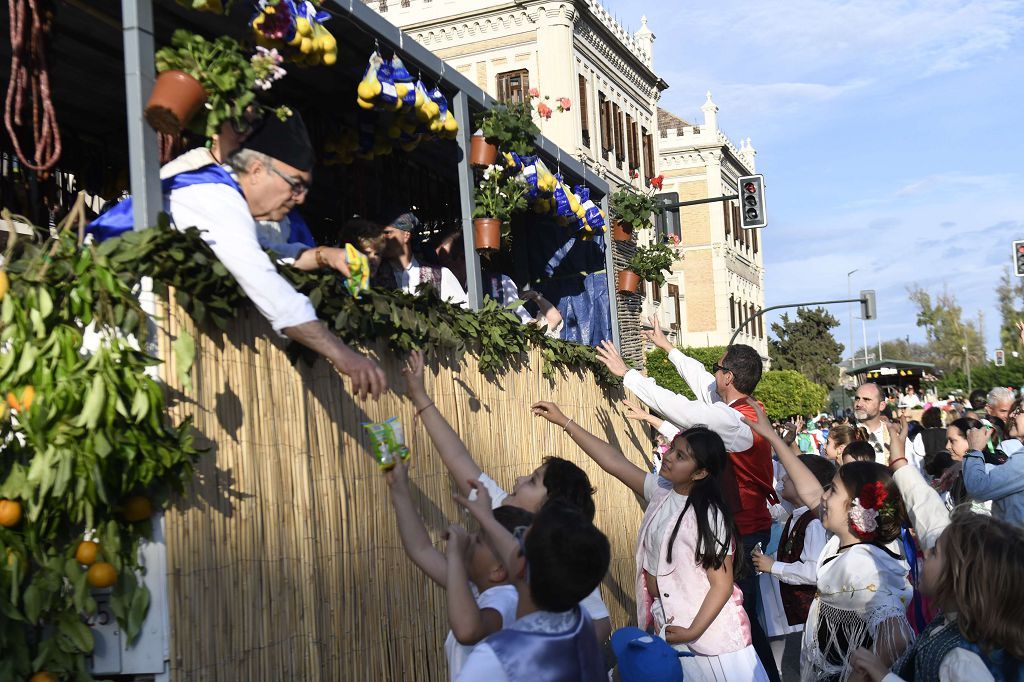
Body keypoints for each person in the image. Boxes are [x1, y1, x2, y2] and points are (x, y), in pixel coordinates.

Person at [87, 113, 387, 400]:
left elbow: (266, 253)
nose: (301, 198)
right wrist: (344, 356)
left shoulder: (226, 193)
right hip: (107, 324)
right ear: (256, 171)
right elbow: (266, 284)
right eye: (295, 184)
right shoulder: (216, 195)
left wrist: (324, 256)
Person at [597, 316, 781, 682]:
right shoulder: (739, 407)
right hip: (744, 522)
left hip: (741, 527)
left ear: (727, 377)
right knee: (736, 612)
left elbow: (683, 408)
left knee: (738, 618)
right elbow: (702, 383)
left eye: (718, 368)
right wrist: (668, 349)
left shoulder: (731, 420)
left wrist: (627, 375)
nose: (713, 374)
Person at [530, 400, 768, 681]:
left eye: (682, 457)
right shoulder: (663, 491)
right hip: (669, 626)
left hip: (710, 640)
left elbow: (722, 585)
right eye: (673, 450)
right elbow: (615, 463)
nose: (669, 457)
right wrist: (565, 422)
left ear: (701, 472)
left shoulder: (709, 516)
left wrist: (693, 630)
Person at [401, 351, 612, 642]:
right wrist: (420, 397)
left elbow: (601, 625)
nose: (518, 479)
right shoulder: (504, 512)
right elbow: (458, 458)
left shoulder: (561, 561)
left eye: (533, 481)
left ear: (550, 509)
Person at [741, 400, 914, 682]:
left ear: (855, 509)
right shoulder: (843, 541)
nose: (822, 497)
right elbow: (809, 491)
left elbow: (896, 636)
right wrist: (774, 439)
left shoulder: (863, 562)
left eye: (832, 491)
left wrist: (862, 675)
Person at [850, 420, 1024, 681]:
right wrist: (898, 461)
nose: (926, 551)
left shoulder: (964, 659)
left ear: (960, 576)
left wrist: (883, 676)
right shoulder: (957, 623)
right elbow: (931, 519)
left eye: (935, 553)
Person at [384, 457, 531, 680]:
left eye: (479, 541)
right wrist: (399, 489)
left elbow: (467, 630)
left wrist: (454, 556)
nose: (470, 540)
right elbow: (421, 549)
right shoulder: (475, 592)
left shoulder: (508, 600)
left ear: (498, 570)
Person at [453, 494, 610, 682]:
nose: (511, 543)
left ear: (520, 567)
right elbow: (520, 555)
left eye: (519, 536)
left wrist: (455, 553)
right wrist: (486, 517)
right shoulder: (579, 621)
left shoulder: (497, 658)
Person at [754, 455, 837, 682]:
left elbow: (814, 572)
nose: (782, 481)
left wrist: (774, 567)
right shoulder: (797, 514)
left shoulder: (815, 523)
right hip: (808, 618)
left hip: (818, 615)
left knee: (819, 665)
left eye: (789, 477)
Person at [372, 209, 468, 305]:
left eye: (387, 233)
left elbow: (462, 313)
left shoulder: (440, 275)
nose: (382, 239)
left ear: (406, 235)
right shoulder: (373, 276)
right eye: (378, 234)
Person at [962, 407, 1024, 525]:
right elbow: (999, 474)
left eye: (1020, 411)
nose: (1011, 415)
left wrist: (974, 450)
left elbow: (978, 487)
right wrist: (961, 466)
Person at [854, 383, 924, 467]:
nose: (859, 404)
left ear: (882, 406)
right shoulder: (843, 433)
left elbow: (914, 469)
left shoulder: (895, 435)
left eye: (866, 400)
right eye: (857, 399)